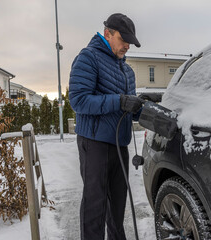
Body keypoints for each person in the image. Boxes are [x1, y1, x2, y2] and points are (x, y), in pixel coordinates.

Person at [69, 13, 144, 240]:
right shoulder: (88, 58)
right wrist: (119, 100)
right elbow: (79, 101)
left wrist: (141, 106)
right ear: (108, 33)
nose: (127, 46)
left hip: (119, 145)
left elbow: (128, 109)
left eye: (130, 42)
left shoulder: (127, 71)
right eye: (124, 40)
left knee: (117, 208)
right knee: (95, 206)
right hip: (94, 144)